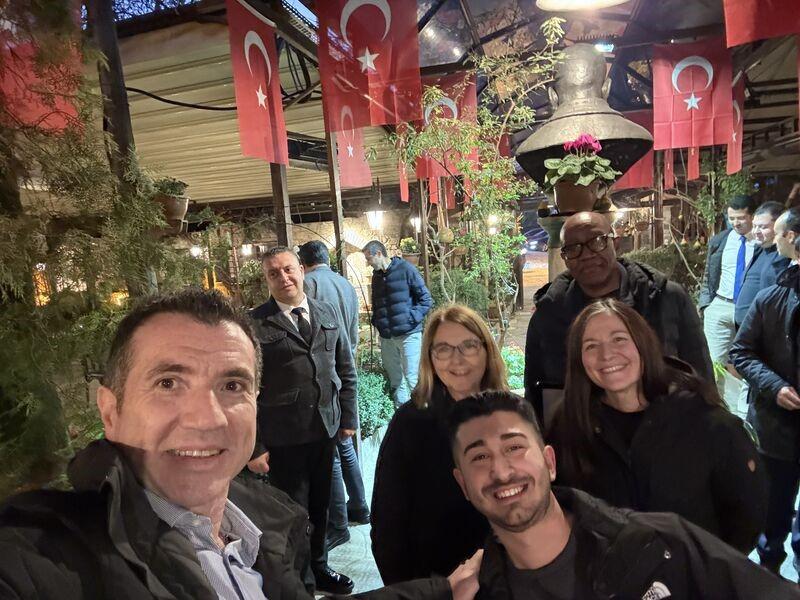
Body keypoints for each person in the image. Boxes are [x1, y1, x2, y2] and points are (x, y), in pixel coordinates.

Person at [0, 289, 473, 600]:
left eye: (232, 386)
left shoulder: (266, 527)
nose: (207, 417)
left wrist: (441, 591)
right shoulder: (43, 557)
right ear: (110, 410)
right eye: (168, 383)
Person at [447, 390, 800, 600]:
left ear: (550, 462)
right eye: (479, 457)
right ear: (463, 485)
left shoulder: (661, 542)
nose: (501, 471)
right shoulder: (477, 592)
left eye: (514, 447)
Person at [548, 298, 765, 553]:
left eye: (619, 339)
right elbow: (562, 505)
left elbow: (747, 514)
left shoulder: (704, 419)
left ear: (642, 343)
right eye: (591, 346)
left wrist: (707, 568)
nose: (606, 355)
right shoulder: (568, 423)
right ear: (579, 359)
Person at [524, 211, 713, 428]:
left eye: (597, 241)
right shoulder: (549, 313)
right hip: (581, 436)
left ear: (616, 243)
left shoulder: (664, 298)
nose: (586, 255)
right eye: (573, 248)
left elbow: (700, 371)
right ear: (564, 257)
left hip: (668, 431)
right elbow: (534, 390)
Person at [248, 246, 356, 594]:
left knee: (321, 508)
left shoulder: (325, 312)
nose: (283, 278)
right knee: (292, 514)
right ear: (266, 280)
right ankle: (300, 582)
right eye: (273, 273)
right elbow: (245, 392)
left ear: (301, 270)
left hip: (325, 429)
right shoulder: (255, 324)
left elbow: (345, 369)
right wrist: (254, 446)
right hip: (283, 438)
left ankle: (320, 568)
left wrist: (348, 417)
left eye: (288, 269)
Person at [371, 304, 501, 584]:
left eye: (469, 346)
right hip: (433, 579)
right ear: (430, 358)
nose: (457, 359)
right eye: (443, 349)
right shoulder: (410, 422)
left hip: (504, 574)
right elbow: (387, 522)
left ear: (486, 350)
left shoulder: (511, 416)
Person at [731, 233, 800, 575]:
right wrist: (775, 386)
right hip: (777, 426)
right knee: (774, 508)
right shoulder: (771, 299)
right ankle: (770, 567)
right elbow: (741, 352)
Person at [297, 241, 370, 551]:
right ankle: (360, 505)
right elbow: (352, 331)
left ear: (303, 263)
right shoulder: (345, 283)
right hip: (347, 365)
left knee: (332, 449)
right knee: (344, 443)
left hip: (326, 372)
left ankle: (338, 524)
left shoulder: (308, 285)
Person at [698, 194, 758, 400]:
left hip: (749, 310)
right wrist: (706, 305)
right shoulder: (720, 240)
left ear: (752, 216)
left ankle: (744, 410)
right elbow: (709, 274)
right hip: (720, 304)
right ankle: (720, 408)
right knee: (713, 364)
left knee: (748, 362)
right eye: (731, 218)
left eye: (740, 218)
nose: (735, 223)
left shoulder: (762, 243)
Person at [362, 240, 433, 407]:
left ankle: (423, 415)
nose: (368, 263)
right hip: (387, 337)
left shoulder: (406, 269)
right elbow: (377, 303)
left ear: (379, 253)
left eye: (369, 258)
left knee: (413, 378)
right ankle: (403, 415)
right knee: (396, 380)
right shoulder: (377, 276)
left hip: (409, 334)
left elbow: (426, 299)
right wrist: (377, 322)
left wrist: (410, 319)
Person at [734, 201, 790, 327]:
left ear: (779, 227)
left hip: (766, 330)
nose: (756, 231)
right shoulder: (760, 250)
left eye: (763, 227)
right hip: (745, 328)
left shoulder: (785, 256)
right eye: (754, 226)